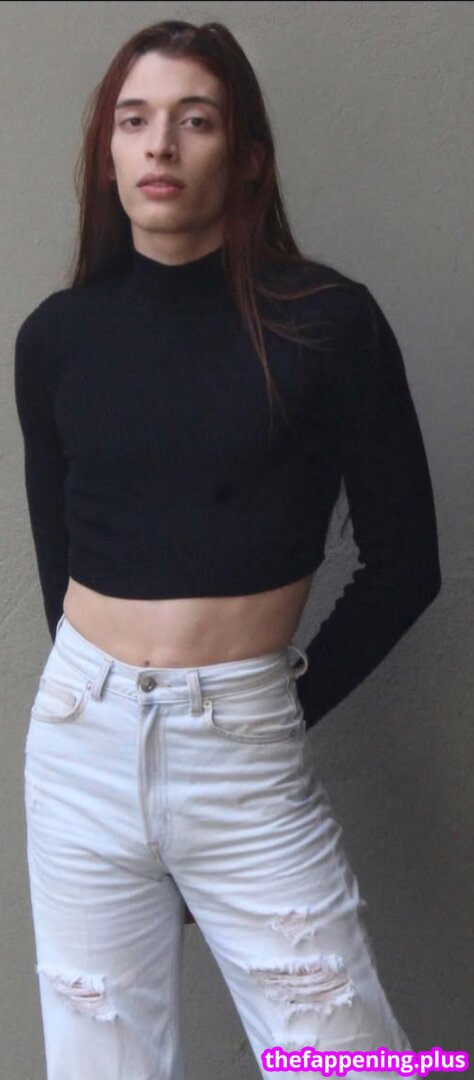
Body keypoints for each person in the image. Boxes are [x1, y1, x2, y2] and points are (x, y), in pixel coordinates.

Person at [14, 18, 441, 1080]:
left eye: (194, 120)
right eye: (134, 121)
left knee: (342, 1057)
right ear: (107, 153)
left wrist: (272, 712)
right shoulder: (55, 339)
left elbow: (406, 563)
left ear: (247, 157)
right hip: (77, 749)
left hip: (243, 749)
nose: (159, 145)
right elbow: (60, 560)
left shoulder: (329, 325)